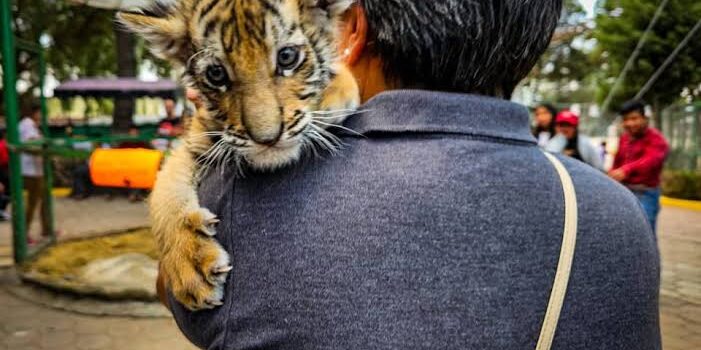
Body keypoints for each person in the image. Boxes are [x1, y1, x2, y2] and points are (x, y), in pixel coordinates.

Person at [163, 2, 660, 349]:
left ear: (350, 31)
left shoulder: (235, 194)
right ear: (531, 48)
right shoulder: (612, 217)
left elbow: (186, 301)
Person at [609, 100, 669, 235]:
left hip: (645, 194)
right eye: (626, 119)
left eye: (634, 118)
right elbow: (617, 161)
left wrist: (626, 170)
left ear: (644, 118)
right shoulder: (624, 138)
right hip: (623, 192)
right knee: (622, 234)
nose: (630, 123)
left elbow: (651, 160)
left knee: (645, 235)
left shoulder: (657, 140)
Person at [19, 104, 50, 242]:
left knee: (44, 200)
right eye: (40, 112)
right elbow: (31, 144)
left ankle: (46, 229)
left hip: (36, 169)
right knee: (32, 203)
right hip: (30, 170)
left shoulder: (31, 125)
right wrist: (44, 144)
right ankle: (24, 234)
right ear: (34, 112)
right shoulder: (27, 124)